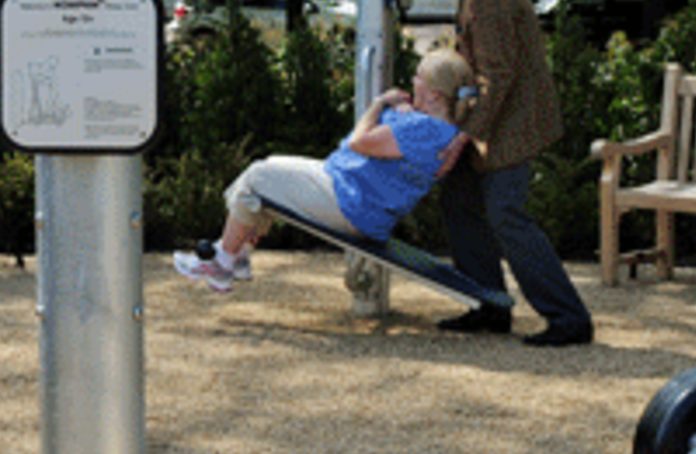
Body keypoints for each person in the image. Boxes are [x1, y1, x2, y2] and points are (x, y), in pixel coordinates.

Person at [422, 0, 595, 346]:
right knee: (459, 201)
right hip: (497, 118)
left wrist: (465, 134)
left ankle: (569, 319)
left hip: (512, 124)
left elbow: (497, 75)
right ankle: (489, 305)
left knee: (506, 216)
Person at [173, 49, 474, 293]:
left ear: (435, 95)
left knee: (257, 176)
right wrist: (400, 115)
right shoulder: (444, 133)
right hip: (356, 199)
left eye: (419, 77)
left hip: (348, 200)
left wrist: (379, 104)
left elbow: (358, 143)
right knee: (265, 175)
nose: (413, 81)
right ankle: (235, 255)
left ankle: (223, 261)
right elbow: (406, 150)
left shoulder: (423, 129)